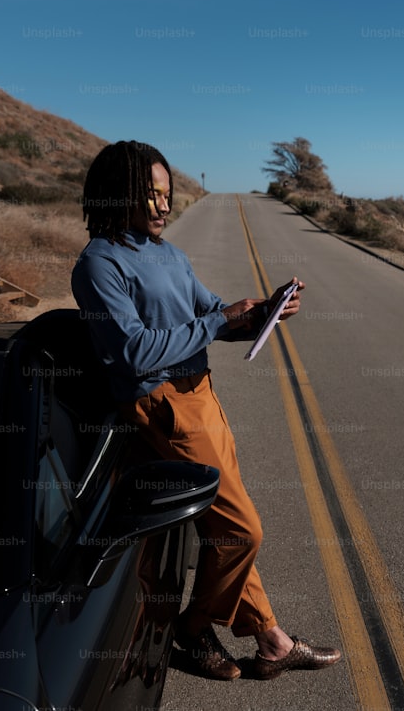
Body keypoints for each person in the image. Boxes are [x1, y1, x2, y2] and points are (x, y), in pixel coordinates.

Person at [71, 140, 341, 682]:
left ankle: (272, 641)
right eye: (150, 194)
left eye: (166, 195)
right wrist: (218, 324)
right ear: (118, 194)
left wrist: (261, 311)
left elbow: (211, 310)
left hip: (203, 396)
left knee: (226, 523)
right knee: (243, 531)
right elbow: (133, 352)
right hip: (162, 406)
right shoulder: (99, 264)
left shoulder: (169, 254)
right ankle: (191, 632)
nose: (162, 206)